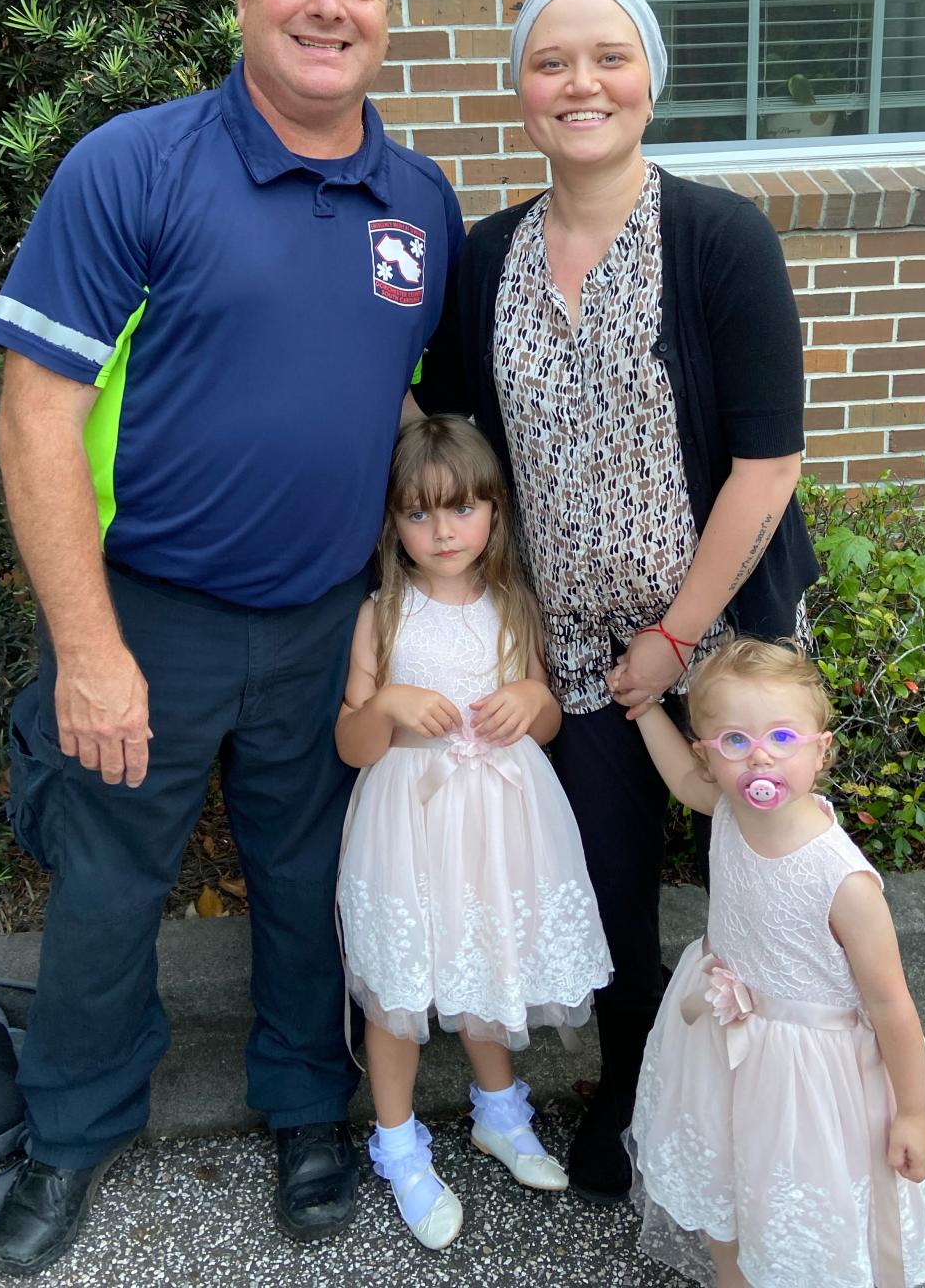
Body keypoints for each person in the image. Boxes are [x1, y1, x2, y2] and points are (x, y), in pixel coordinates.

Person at [0, 0, 464, 1275]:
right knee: (106, 882)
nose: (328, 5)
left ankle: (307, 1110)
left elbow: (408, 416)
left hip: (321, 621)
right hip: (151, 619)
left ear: (387, 13)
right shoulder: (133, 167)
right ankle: (68, 1134)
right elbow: (37, 412)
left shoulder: (418, 203)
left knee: (312, 875)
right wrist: (86, 644)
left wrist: (400, 616)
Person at [414, 0, 820, 1200]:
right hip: (569, 647)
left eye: (608, 57)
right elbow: (459, 453)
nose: (579, 83)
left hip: (726, 638)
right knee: (608, 885)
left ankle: (786, 1113)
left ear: (649, 79)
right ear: (520, 93)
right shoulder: (484, 261)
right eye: (551, 62)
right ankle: (638, 1098)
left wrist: (676, 639)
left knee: (761, 869)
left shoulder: (718, 239)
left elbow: (767, 462)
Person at [627, 638, 925, 1288]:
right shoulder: (726, 807)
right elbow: (682, 782)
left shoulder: (842, 882)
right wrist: (646, 710)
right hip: (720, 1034)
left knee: (797, 1194)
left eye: (780, 736)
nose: (761, 756)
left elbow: (891, 1004)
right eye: (735, 742)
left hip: (809, 1074)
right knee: (725, 1173)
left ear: (820, 750)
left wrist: (910, 1112)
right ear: (708, 755)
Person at [335, 415, 612, 1249]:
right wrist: (384, 706)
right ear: (394, 524)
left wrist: (533, 704)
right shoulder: (381, 617)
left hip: (499, 825)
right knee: (400, 985)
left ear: (493, 512)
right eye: (420, 514)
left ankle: (499, 1112)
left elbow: (548, 713)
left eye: (461, 509)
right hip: (409, 826)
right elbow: (351, 743)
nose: (443, 530)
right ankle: (397, 1144)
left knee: (489, 957)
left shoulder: (512, 605)